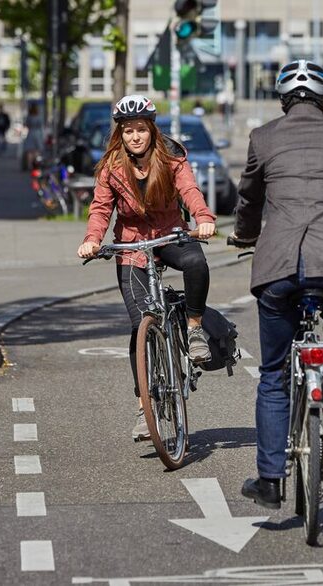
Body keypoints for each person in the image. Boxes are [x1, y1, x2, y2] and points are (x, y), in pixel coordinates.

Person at [228, 60, 323, 509]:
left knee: (274, 376)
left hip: (278, 267)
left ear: (282, 102)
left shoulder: (263, 137)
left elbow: (250, 197)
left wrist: (244, 235)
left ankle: (271, 480)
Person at [77, 94, 217, 441]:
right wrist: (92, 238)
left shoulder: (172, 158)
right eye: (128, 131)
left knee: (196, 262)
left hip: (170, 234)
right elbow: (100, 208)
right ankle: (145, 408)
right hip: (131, 246)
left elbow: (190, 191)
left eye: (140, 129)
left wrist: (202, 217)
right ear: (120, 135)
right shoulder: (111, 166)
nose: (135, 137)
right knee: (140, 326)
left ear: (152, 130)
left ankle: (195, 328)